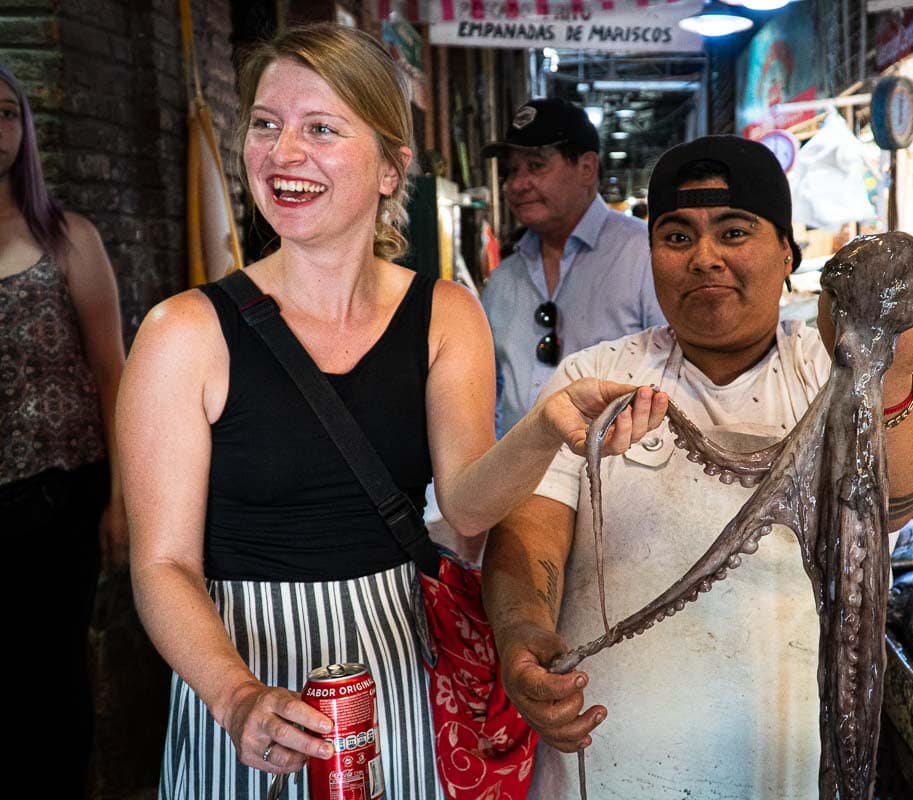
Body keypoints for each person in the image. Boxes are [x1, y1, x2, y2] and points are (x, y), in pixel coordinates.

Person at [116, 24, 664, 800]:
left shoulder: (445, 314)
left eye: (321, 129)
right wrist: (234, 695)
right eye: (265, 125)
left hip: (401, 662)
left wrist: (545, 429)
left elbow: (469, 512)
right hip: (237, 673)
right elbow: (162, 565)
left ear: (389, 167)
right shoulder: (185, 334)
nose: (282, 153)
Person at [481, 135, 913, 799]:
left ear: (785, 252)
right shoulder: (597, 377)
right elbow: (528, 529)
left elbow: (893, 503)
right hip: (605, 760)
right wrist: (523, 634)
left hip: (784, 758)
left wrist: (885, 380)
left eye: (733, 231)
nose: (704, 258)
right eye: (677, 236)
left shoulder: (828, 374)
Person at [0, 65, 127, 798]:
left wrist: (120, 499)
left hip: (60, 497)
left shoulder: (67, 239)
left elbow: (114, 373)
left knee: (53, 675)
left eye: (7, 112)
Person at [481, 97, 666, 436]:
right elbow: (489, 392)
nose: (517, 184)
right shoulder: (504, 279)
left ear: (586, 168)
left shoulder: (645, 254)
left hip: (616, 478)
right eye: (510, 170)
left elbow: (676, 375)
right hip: (521, 482)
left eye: (535, 165)